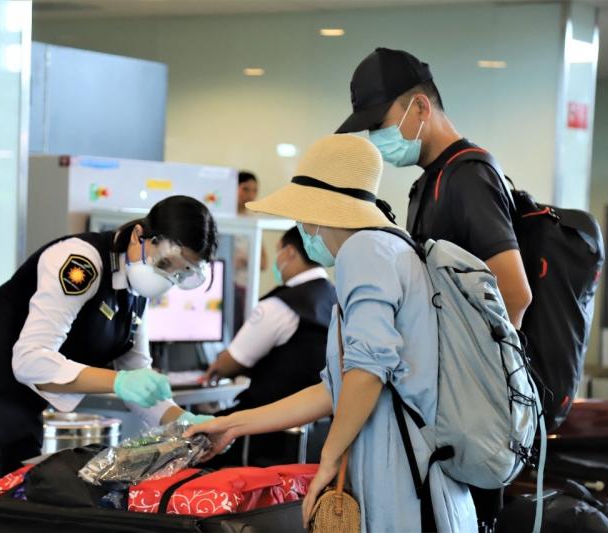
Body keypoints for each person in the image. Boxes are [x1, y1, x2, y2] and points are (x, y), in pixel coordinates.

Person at [188, 134, 477, 532]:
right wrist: (233, 424)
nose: (305, 229)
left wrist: (329, 459)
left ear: (317, 213)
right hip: (428, 480)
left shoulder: (364, 252)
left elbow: (365, 373)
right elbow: (334, 389)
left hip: (401, 482)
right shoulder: (395, 248)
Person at [0, 195, 217, 511]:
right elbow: (30, 359)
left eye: (179, 275)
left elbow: (139, 381)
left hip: (18, 410)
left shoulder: (136, 293)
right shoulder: (80, 260)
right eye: (164, 263)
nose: (166, 278)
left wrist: (188, 424)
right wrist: (118, 381)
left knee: (8, 517)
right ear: (140, 235)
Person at [336, 47, 530, 530]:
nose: (377, 138)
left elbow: (514, 294)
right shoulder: (429, 182)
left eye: (382, 123)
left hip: (468, 416)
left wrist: (471, 394)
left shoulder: (468, 176)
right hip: (438, 420)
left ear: (421, 107)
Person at [203, 226, 336, 465]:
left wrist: (215, 367)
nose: (277, 260)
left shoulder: (279, 305)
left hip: (265, 431)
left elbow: (231, 363)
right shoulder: (336, 296)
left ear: (290, 252)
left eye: (278, 252)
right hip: (317, 432)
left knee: (194, 434)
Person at [233, 171, 267, 332]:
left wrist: (245, 259)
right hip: (229, 287)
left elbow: (264, 262)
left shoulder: (253, 223)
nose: (250, 195)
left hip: (247, 288)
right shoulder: (224, 219)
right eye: (246, 189)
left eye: (254, 190)